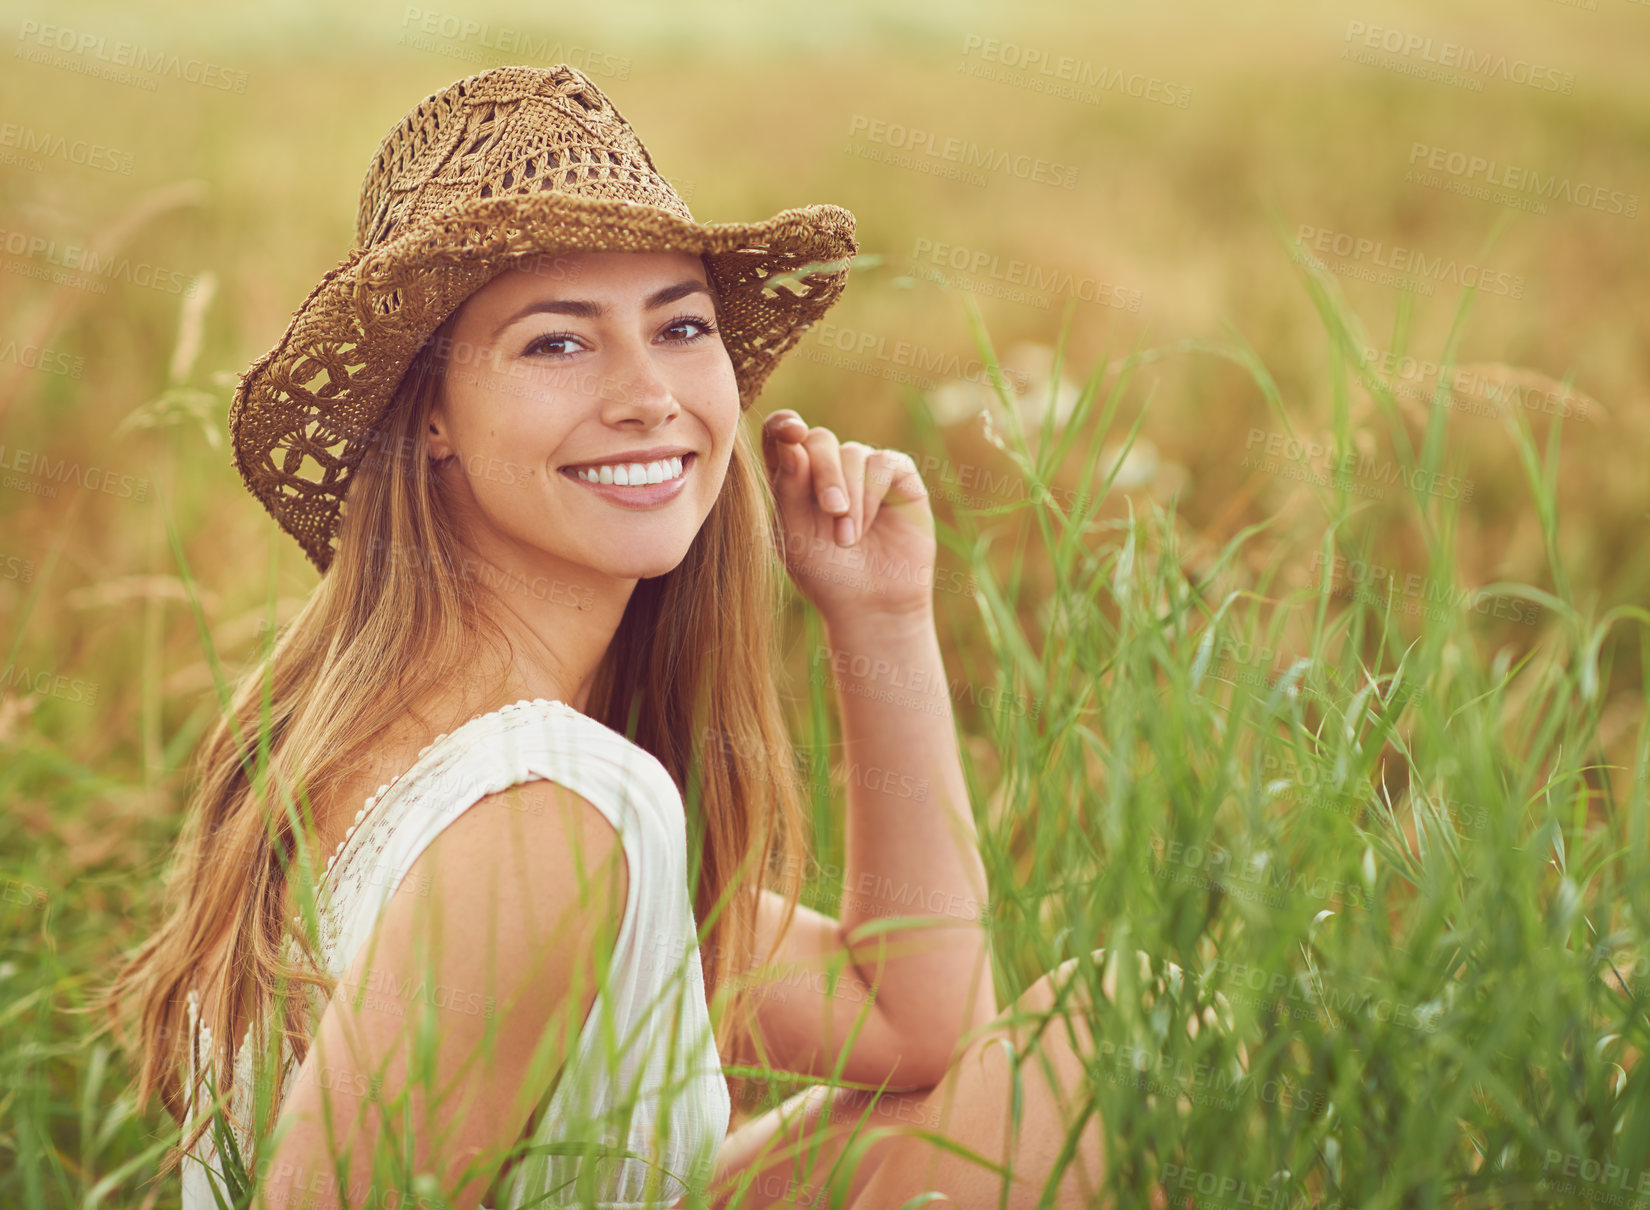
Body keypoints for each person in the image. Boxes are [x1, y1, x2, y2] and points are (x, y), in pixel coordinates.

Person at [96, 64, 1106, 1209]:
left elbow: (913, 1023)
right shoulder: (542, 812)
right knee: (1099, 1060)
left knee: (1082, 1040)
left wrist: (883, 619)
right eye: (557, 344)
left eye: (680, 325)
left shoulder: (428, 743)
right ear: (429, 417)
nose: (647, 395)